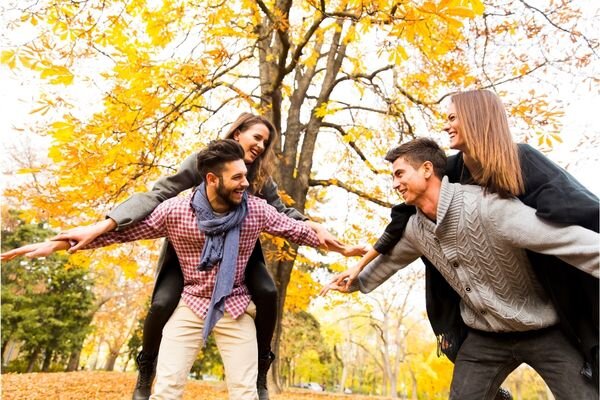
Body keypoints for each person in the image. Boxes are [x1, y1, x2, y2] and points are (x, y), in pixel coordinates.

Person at [45, 113, 365, 400]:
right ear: (237, 135)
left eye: (265, 143)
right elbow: (153, 202)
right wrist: (96, 229)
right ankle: (146, 368)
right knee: (162, 305)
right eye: (256, 137)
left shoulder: (256, 195)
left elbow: (284, 218)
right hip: (190, 264)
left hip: (238, 271)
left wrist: (327, 237)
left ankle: (261, 368)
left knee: (267, 292)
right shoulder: (189, 189)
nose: (260, 147)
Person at [328, 89, 599, 398]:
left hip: (541, 321)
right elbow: (398, 240)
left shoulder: (513, 176)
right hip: (484, 332)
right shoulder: (446, 179)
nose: (446, 125)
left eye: (452, 117)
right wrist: (357, 277)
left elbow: (572, 228)